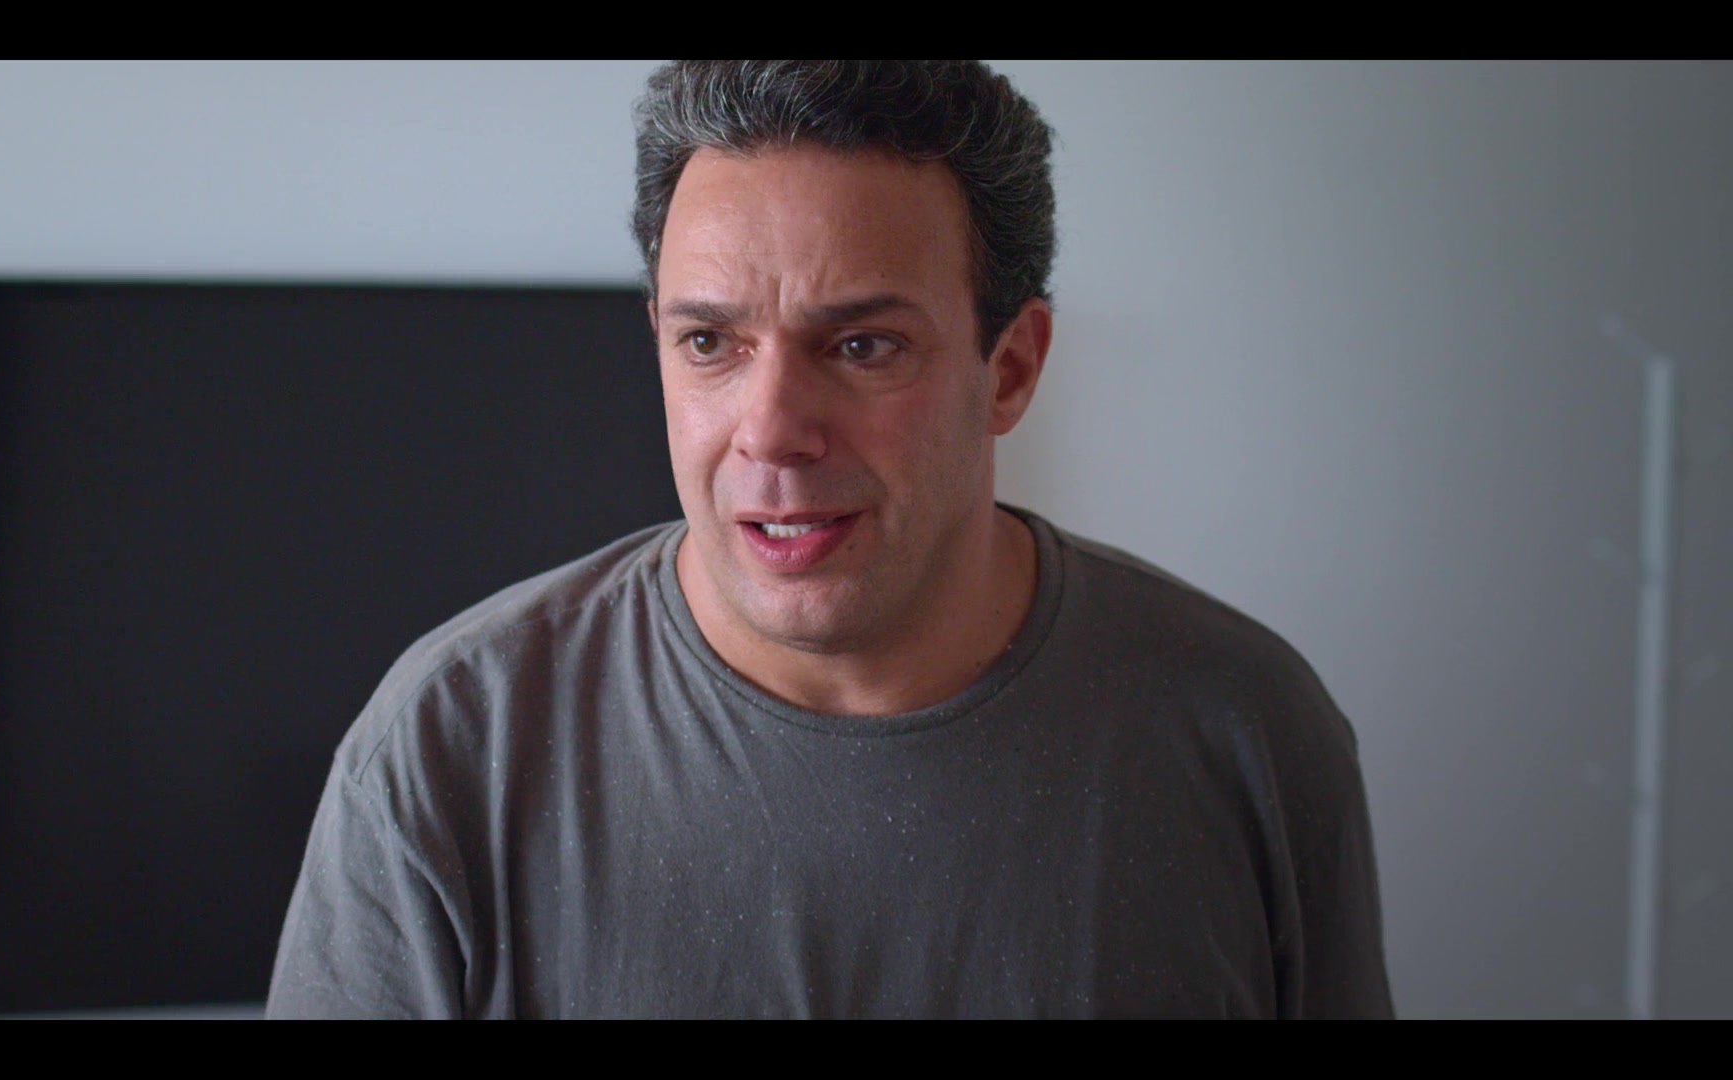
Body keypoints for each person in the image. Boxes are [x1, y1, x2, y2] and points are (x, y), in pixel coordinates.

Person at [265, 60, 1394, 1019]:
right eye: (709, 343)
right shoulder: (447, 755)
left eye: (861, 347)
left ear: (1010, 368)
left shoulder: (1247, 730)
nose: (770, 432)